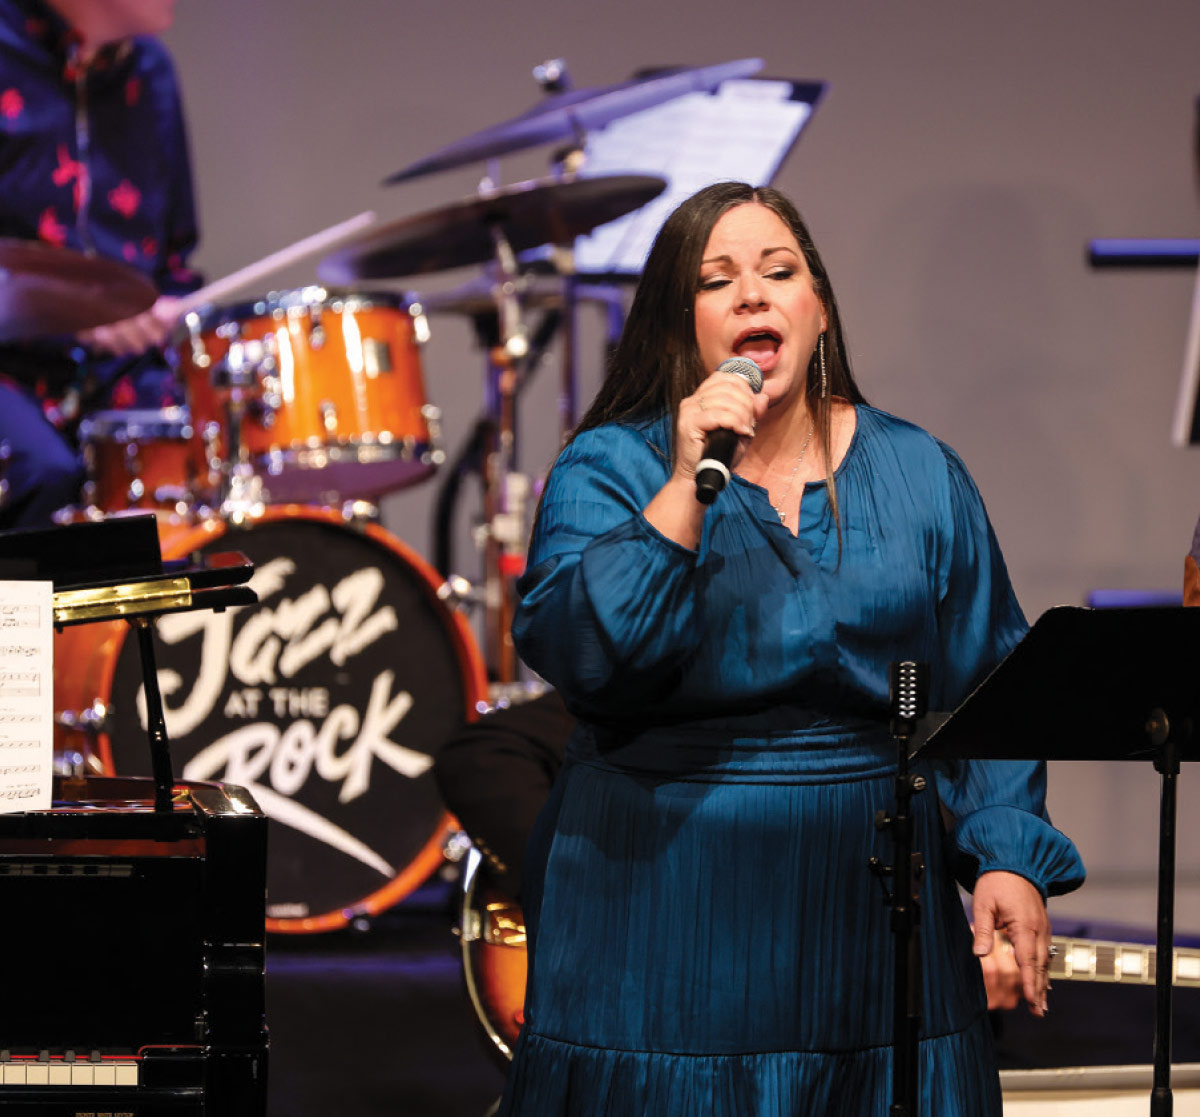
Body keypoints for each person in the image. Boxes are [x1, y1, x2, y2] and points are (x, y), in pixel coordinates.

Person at [495, 181, 1085, 1115]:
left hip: (870, 910)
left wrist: (1005, 853)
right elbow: (591, 652)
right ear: (676, 323)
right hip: (659, 918)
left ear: (818, 309)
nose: (754, 294)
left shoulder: (919, 471)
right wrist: (690, 481)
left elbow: (989, 684)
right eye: (717, 279)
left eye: (780, 271)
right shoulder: (609, 468)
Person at [0, 0, 200, 530]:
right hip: (10, 366)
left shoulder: (149, 72)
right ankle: (23, 617)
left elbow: (173, 256)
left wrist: (171, 311)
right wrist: (74, 315)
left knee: (213, 457)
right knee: (41, 470)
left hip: (118, 372)